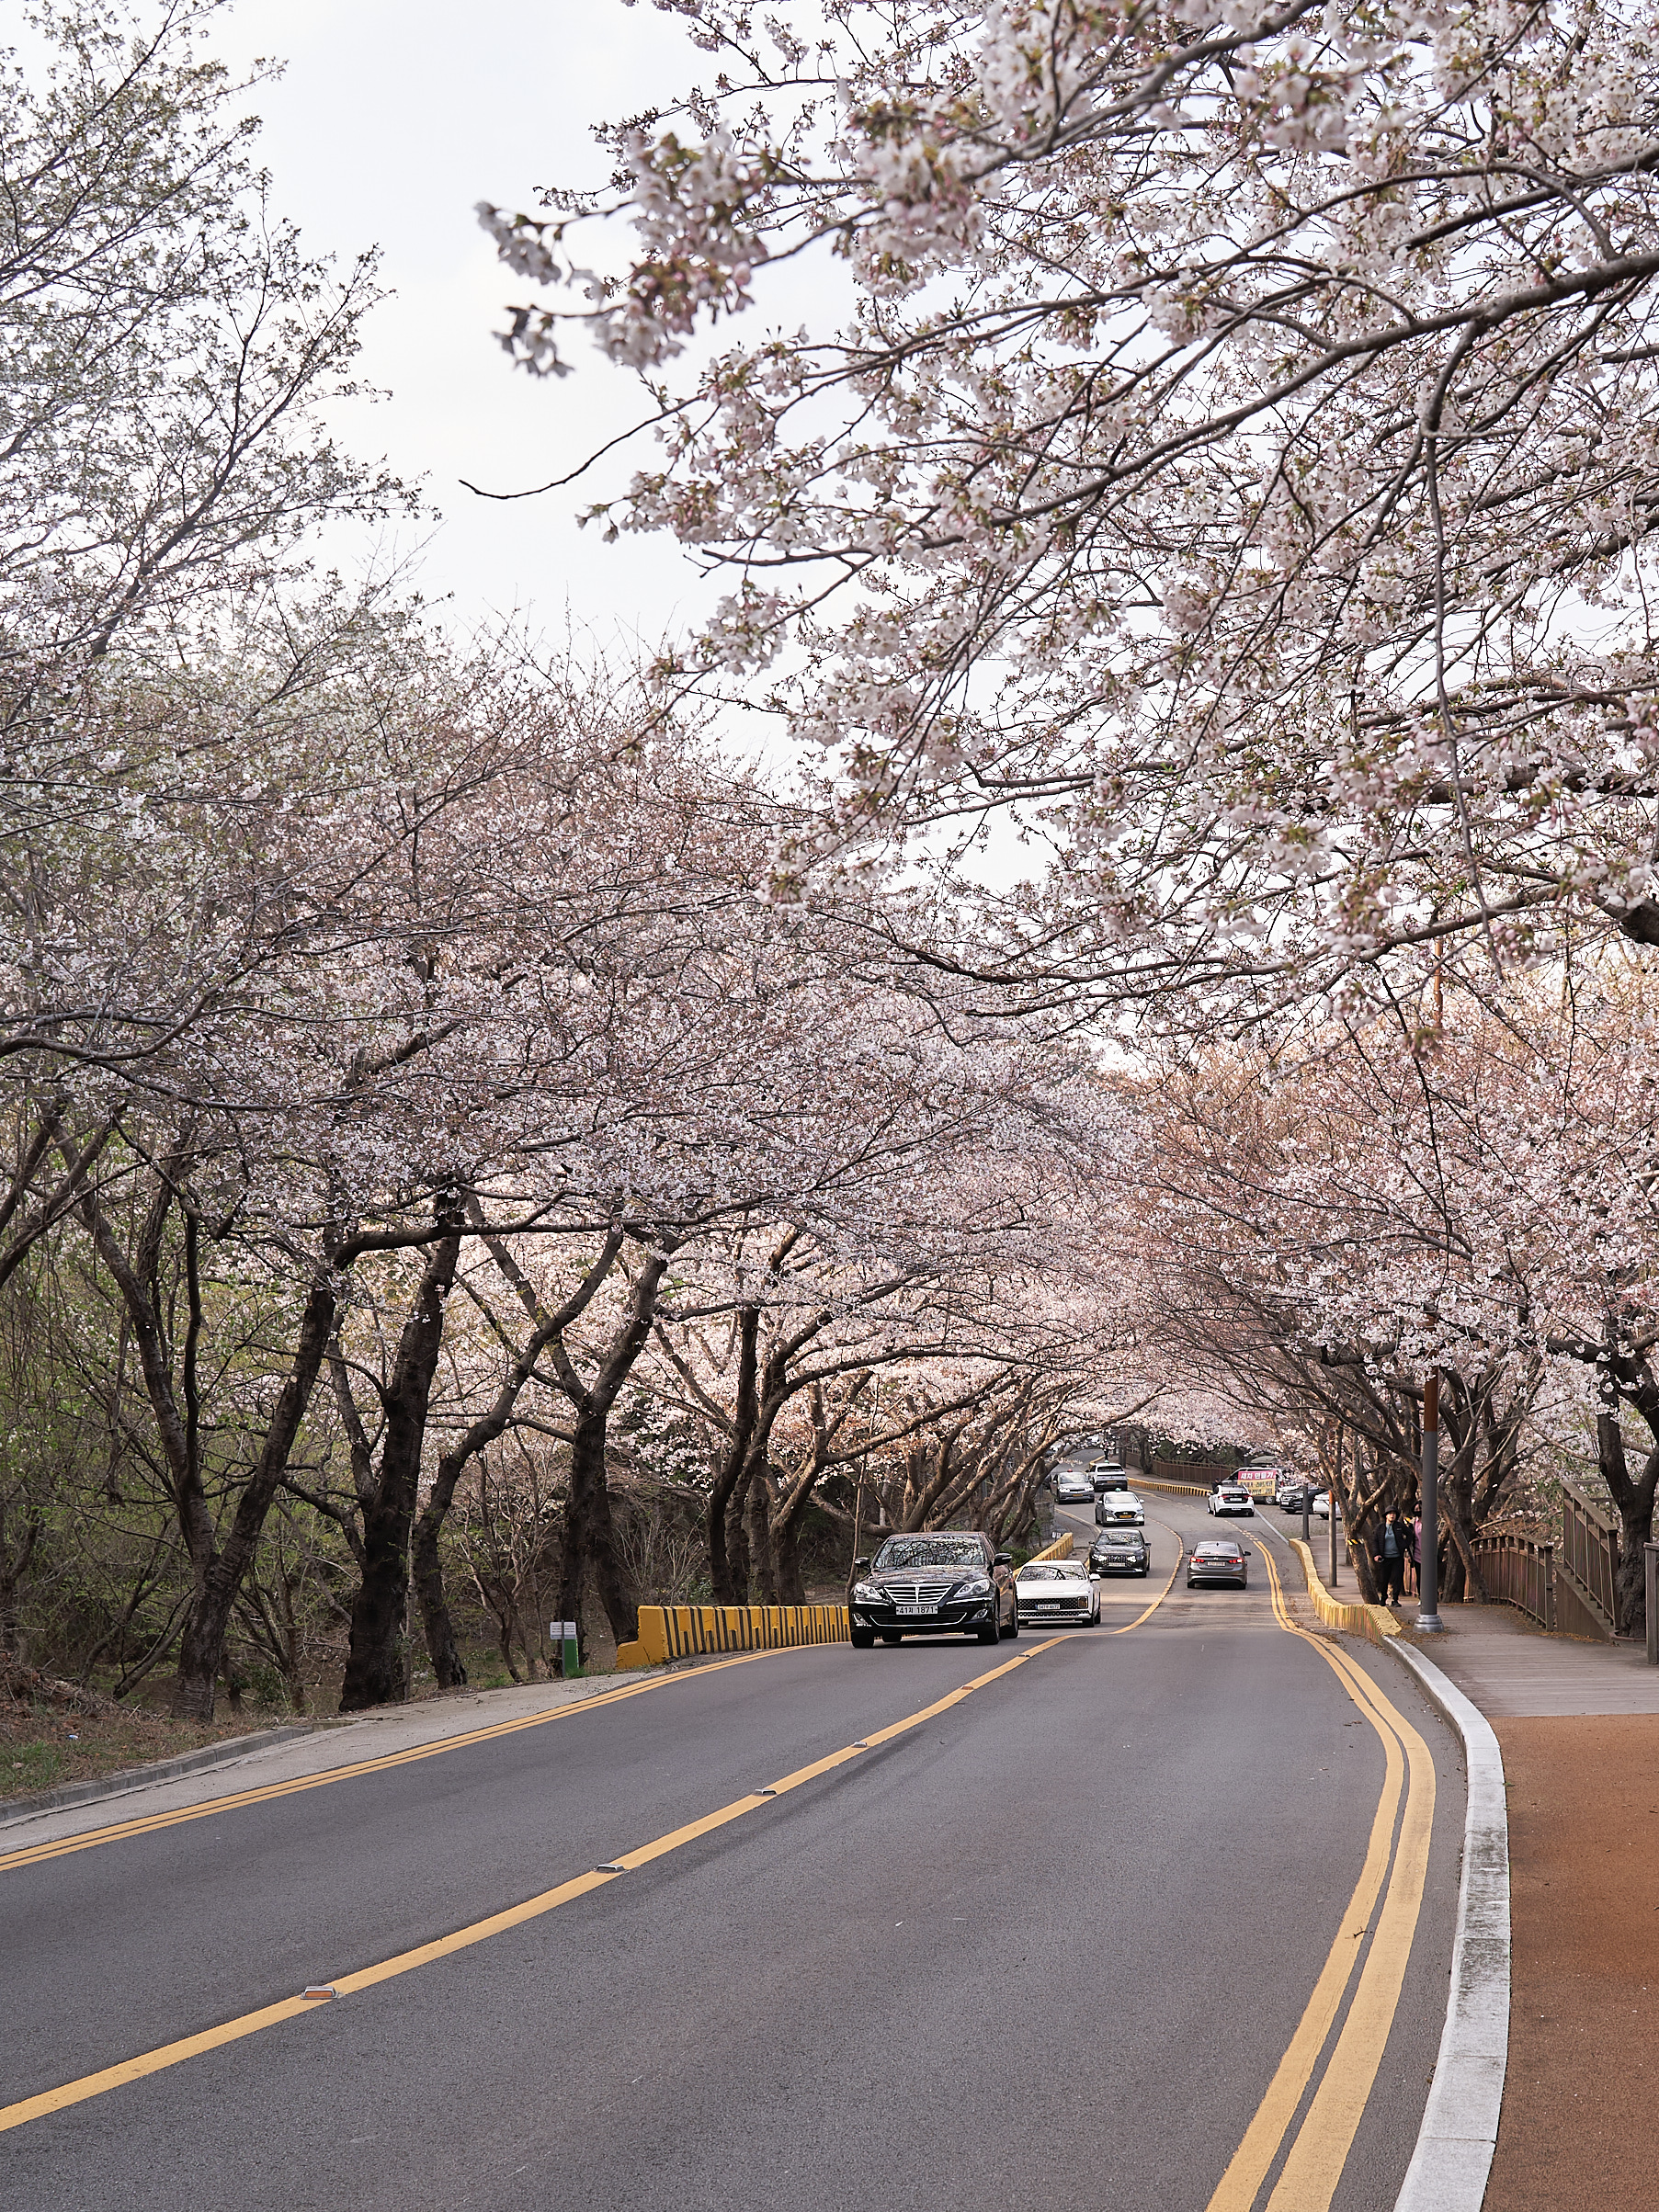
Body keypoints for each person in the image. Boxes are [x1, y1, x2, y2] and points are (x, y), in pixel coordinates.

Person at [1375, 1511, 1406, 1605]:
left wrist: (1404, 1545)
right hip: (1385, 1558)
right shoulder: (1380, 1528)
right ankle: (1383, 1598)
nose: (1392, 1516)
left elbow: (1409, 1534)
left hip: (1397, 1557)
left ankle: (1395, 1599)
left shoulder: (1399, 1526)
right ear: (1386, 1516)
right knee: (1384, 1578)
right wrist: (1376, 1554)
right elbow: (1375, 1541)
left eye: (1394, 1514)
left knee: (1397, 1578)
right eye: (1390, 1514)